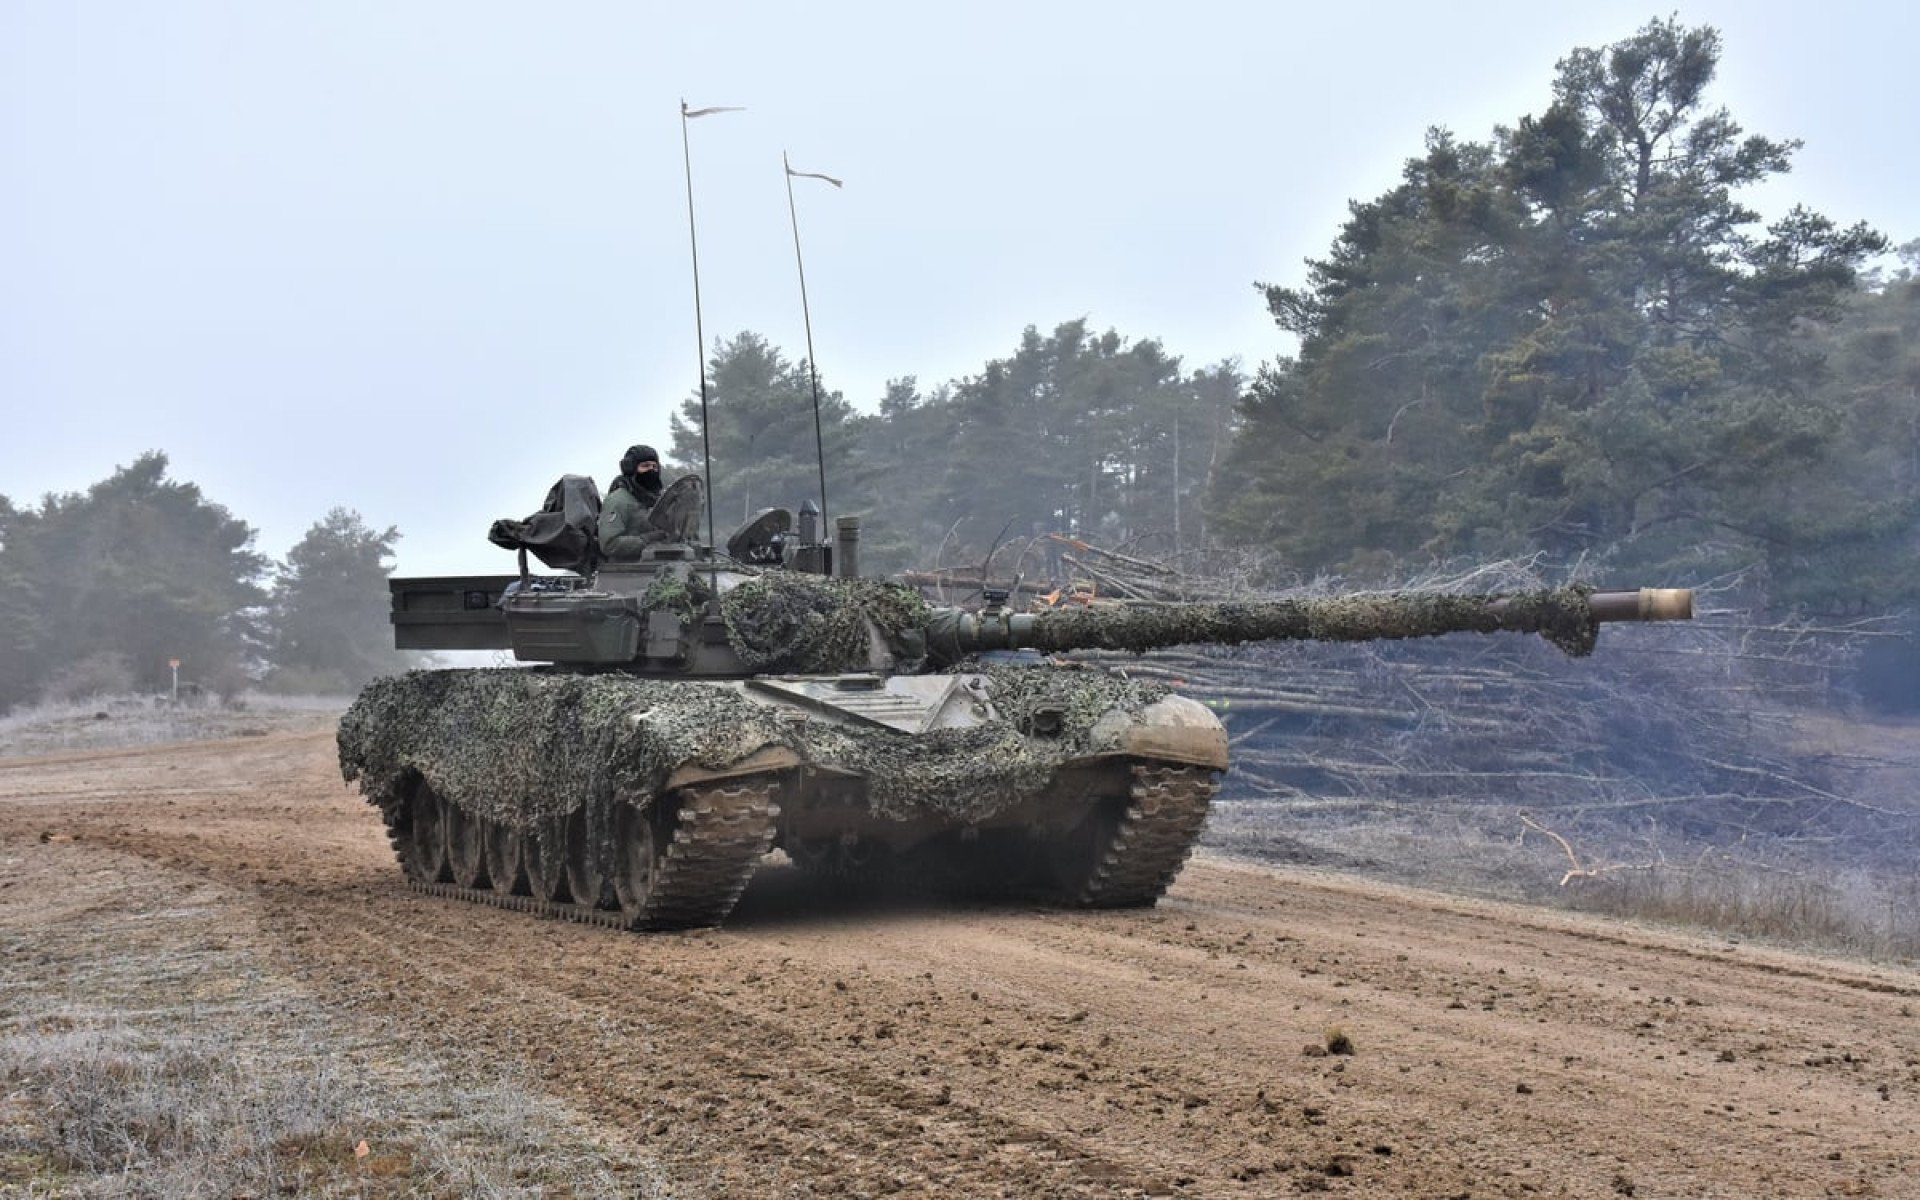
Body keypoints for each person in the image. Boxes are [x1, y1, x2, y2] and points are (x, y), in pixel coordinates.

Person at [597, 443, 665, 560]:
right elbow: (609, 544)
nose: (651, 470)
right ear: (631, 469)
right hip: (625, 572)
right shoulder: (618, 500)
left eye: (654, 466)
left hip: (656, 568)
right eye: (645, 466)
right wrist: (645, 540)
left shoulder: (658, 500)